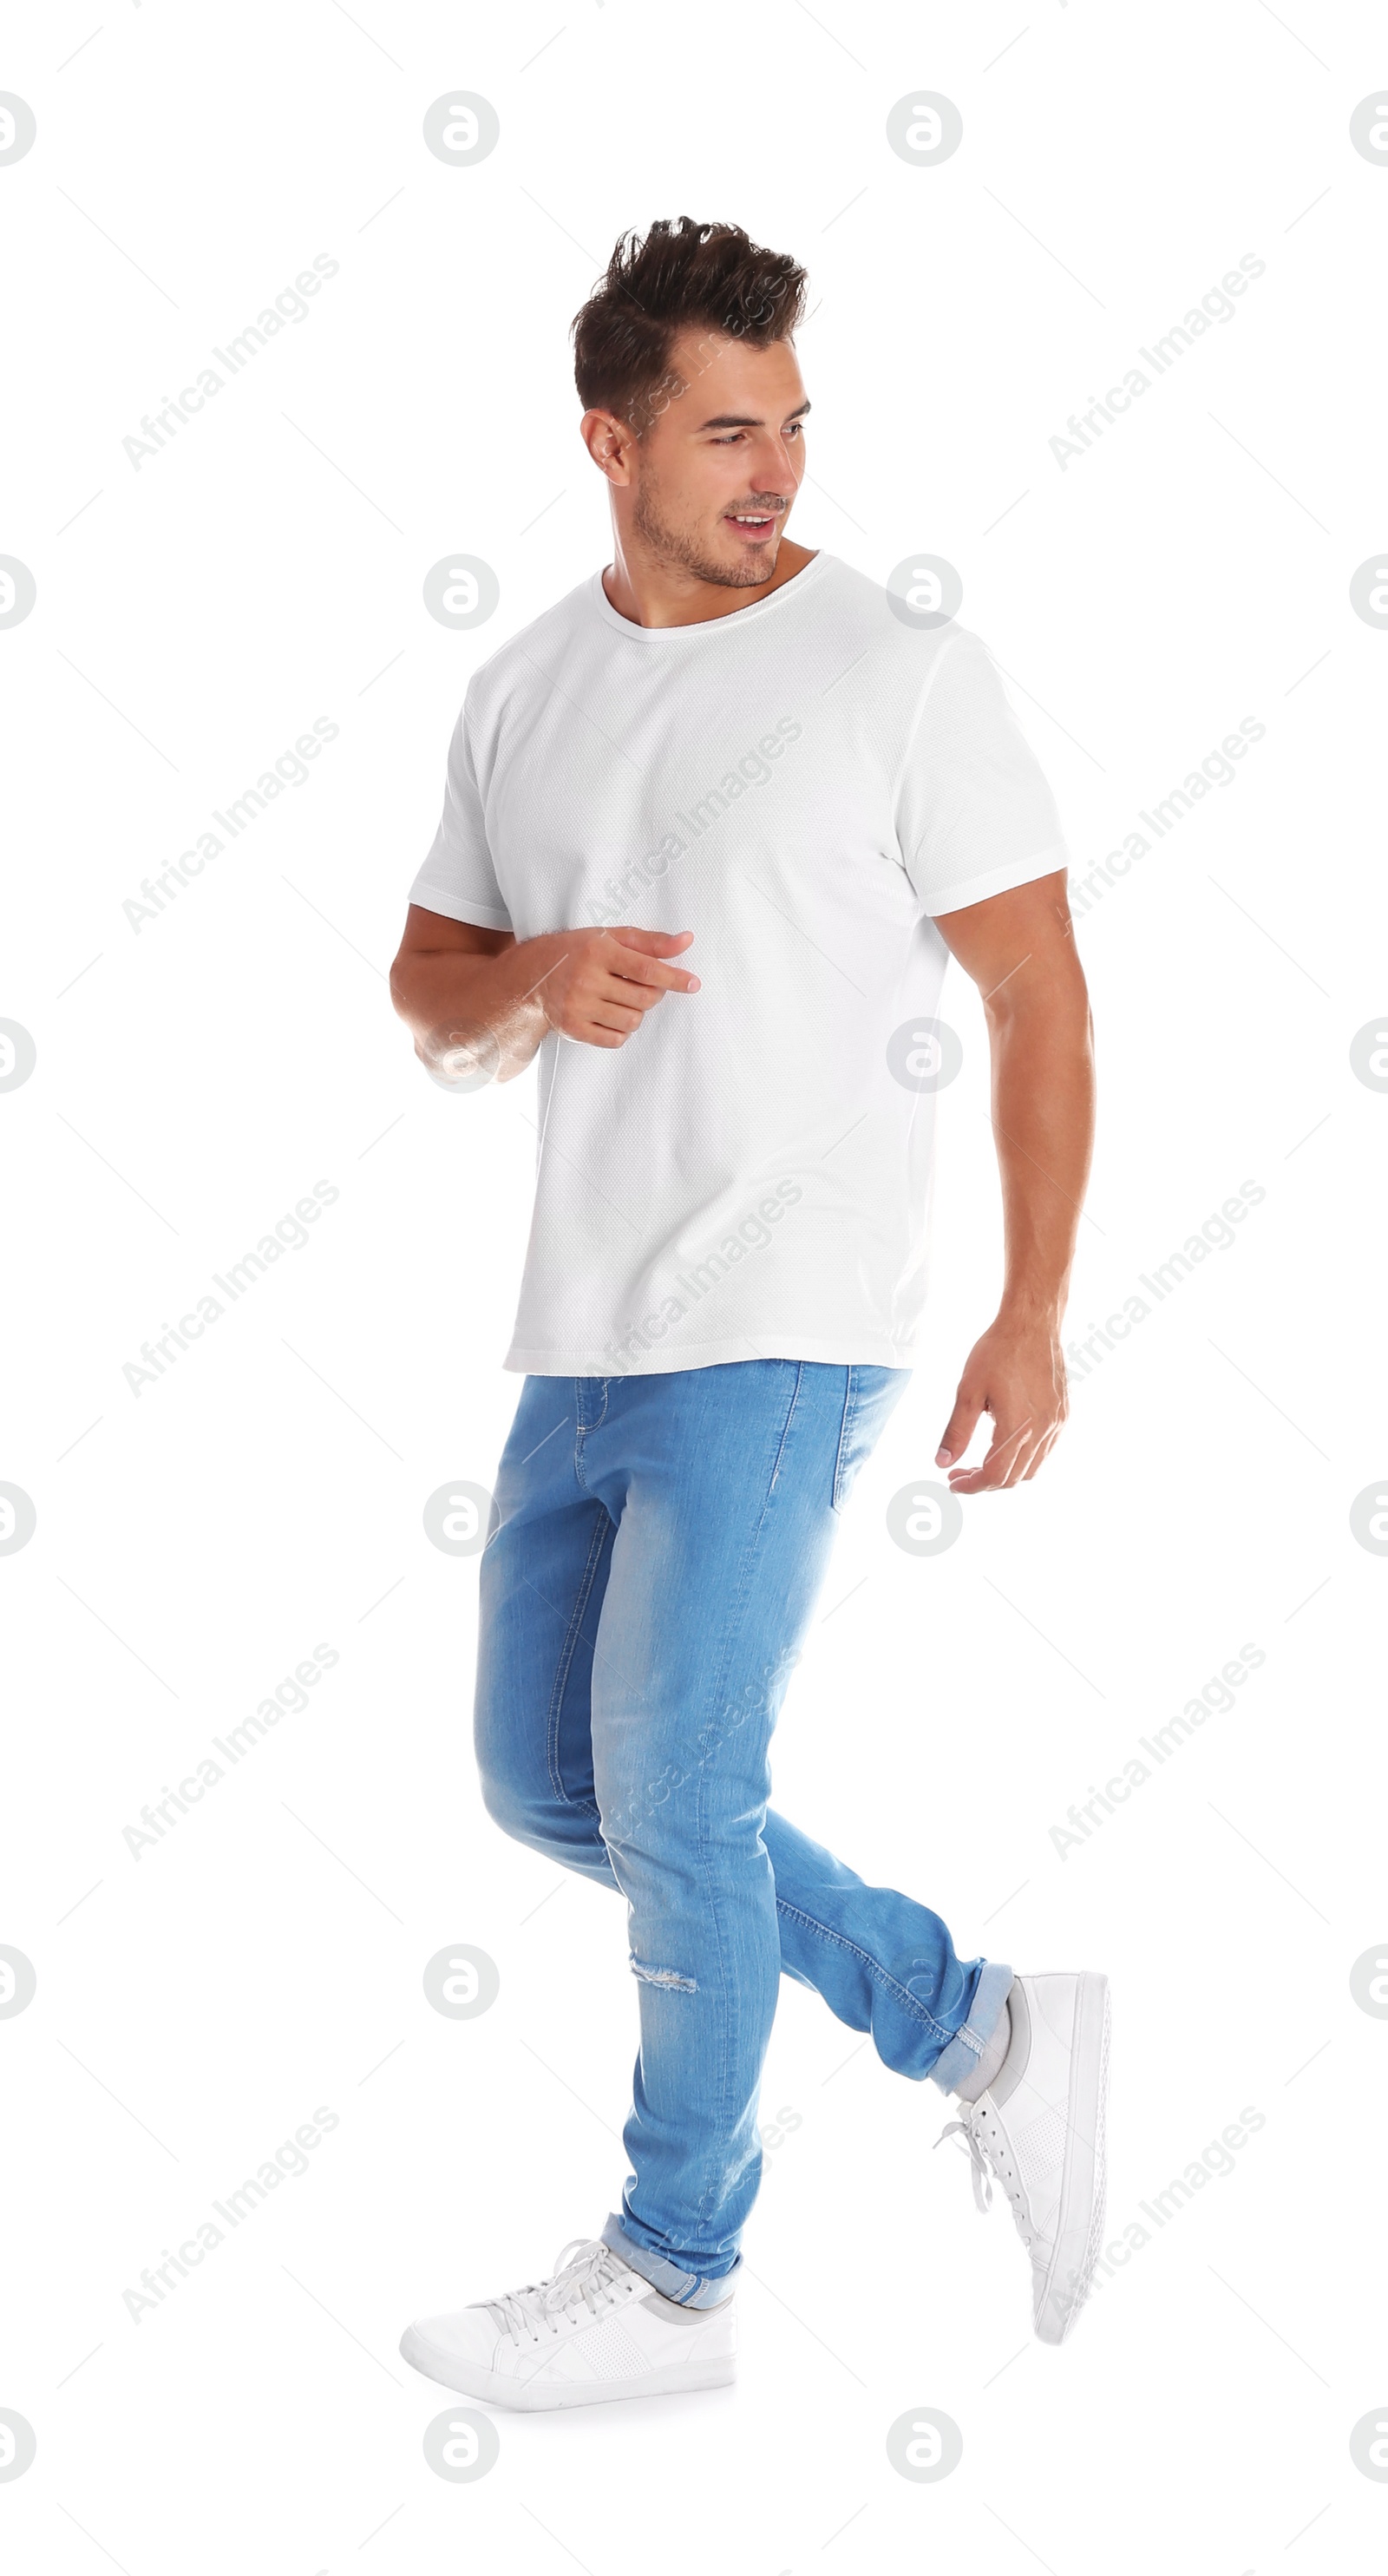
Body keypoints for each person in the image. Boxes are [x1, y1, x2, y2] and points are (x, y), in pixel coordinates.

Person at [390, 217, 1109, 2413]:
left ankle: (673, 2272)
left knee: (680, 1780)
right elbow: (429, 995)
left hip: (788, 1320)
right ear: (608, 440)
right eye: (725, 431)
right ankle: (974, 2022)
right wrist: (533, 979)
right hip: (583, 1329)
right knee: (554, 1784)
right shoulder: (520, 687)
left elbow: (1038, 993)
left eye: (790, 425)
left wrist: (1031, 1307)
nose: (773, 468)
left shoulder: (895, 671)